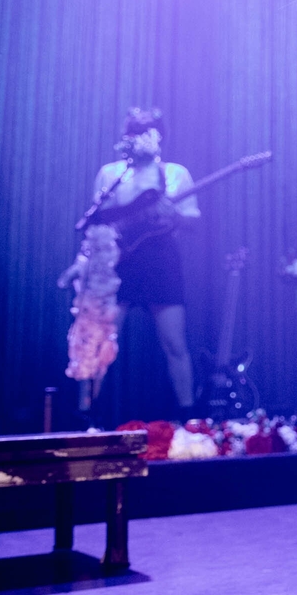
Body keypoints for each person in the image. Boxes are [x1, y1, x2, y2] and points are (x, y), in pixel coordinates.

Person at [88, 107, 201, 416]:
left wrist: (173, 215)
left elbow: (193, 220)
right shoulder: (110, 174)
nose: (138, 140)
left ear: (159, 138)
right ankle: (88, 414)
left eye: (146, 133)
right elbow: (99, 221)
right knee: (100, 343)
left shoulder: (176, 174)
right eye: (133, 133)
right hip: (118, 263)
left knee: (174, 343)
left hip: (161, 262)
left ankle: (187, 415)